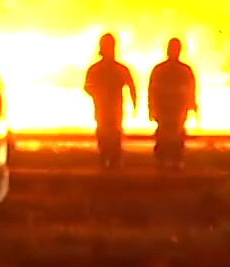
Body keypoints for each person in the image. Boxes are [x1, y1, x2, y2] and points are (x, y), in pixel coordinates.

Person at [84, 33, 138, 169]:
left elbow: (131, 86)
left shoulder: (119, 69)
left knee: (114, 135)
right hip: (103, 109)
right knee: (104, 135)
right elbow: (87, 87)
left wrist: (134, 104)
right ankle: (105, 160)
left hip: (114, 110)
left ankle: (113, 161)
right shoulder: (95, 69)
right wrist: (98, 93)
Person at [148, 38, 198, 170]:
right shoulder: (160, 70)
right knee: (164, 135)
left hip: (178, 109)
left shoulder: (184, 70)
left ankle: (176, 159)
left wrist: (192, 105)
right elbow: (153, 90)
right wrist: (152, 108)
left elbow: (191, 89)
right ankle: (163, 160)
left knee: (177, 135)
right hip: (164, 109)